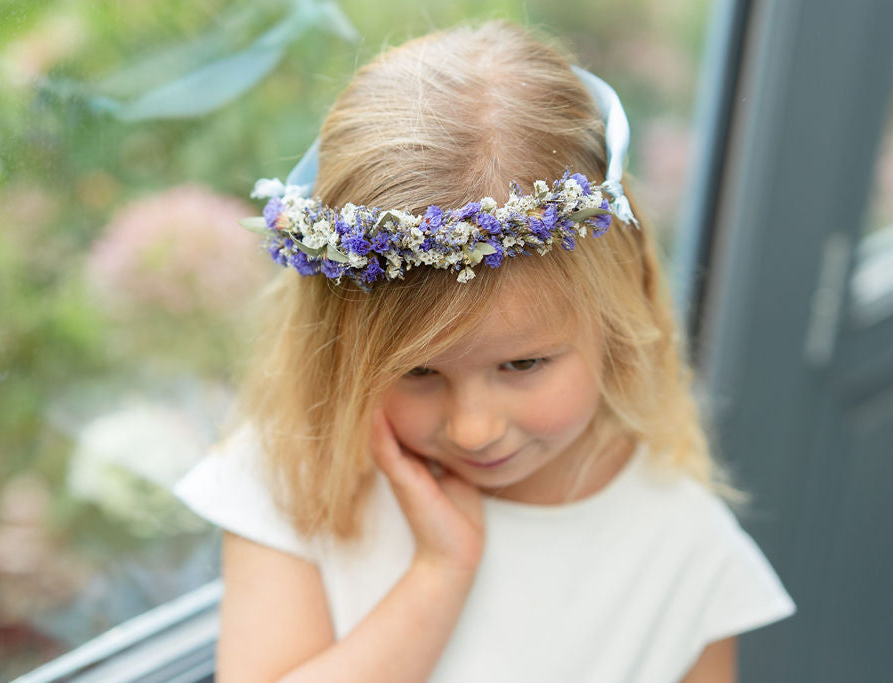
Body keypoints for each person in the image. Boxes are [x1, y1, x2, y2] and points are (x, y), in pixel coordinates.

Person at [174, 19, 795, 683]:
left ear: (617, 317)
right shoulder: (296, 474)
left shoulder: (681, 547)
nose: (474, 429)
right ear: (338, 351)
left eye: (522, 365)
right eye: (417, 371)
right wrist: (439, 575)